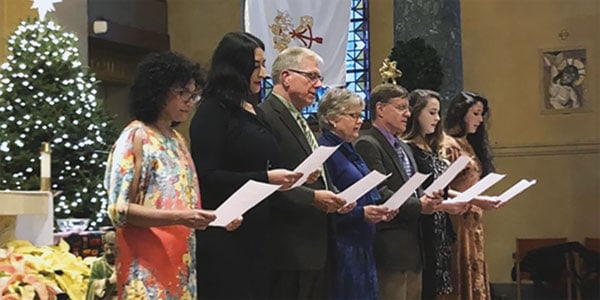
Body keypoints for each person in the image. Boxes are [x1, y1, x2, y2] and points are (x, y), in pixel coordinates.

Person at [104, 51, 240, 300]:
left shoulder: (178, 140)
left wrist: (215, 219)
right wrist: (181, 216)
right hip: (145, 266)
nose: (190, 102)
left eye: (193, 95)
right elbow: (119, 210)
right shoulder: (136, 137)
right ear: (156, 92)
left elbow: (185, 205)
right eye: (182, 94)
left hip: (181, 262)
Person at [189, 32, 302, 299]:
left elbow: (263, 158)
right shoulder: (212, 111)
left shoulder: (253, 109)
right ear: (234, 66)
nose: (263, 73)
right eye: (256, 66)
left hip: (261, 228)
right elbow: (206, 175)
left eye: (263, 65)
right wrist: (266, 178)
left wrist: (292, 177)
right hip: (228, 233)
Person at [257, 46, 350, 299]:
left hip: (315, 241)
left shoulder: (299, 117)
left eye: (318, 78)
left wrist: (336, 196)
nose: (318, 84)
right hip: (290, 245)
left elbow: (313, 171)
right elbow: (265, 178)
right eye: (311, 76)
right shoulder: (265, 115)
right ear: (286, 77)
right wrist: (313, 198)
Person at [354, 83, 443, 300]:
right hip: (390, 245)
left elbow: (414, 187)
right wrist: (419, 205)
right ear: (380, 109)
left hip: (413, 245)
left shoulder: (402, 146)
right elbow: (379, 191)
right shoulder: (368, 143)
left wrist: (430, 199)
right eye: (401, 107)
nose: (408, 113)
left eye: (408, 108)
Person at [316, 88, 397, 300]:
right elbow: (325, 205)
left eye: (360, 115)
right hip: (343, 248)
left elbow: (365, 190)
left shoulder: (348, 148)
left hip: (362, 243)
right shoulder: (324, 151)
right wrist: (361, 213)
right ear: (333, 119)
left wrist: (379, 210)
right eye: (353, 116)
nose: (360, 121)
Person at [402, 89, 470, 299]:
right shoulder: (408, 149)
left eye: (438, 113)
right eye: (431, 113)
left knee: (438, 289)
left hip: (440, 227)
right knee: (425, 288)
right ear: (415, 113)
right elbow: (415, 193)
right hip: (423, 227)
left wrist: (475, 198)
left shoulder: (432, 147)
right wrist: (444, 205)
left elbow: (443, 190)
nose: (437, 118)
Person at [440, 91, 497, 299]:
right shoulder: (448, 145)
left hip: (472, 218)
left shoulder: (469, 144)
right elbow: (441, 188)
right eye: (475, 113)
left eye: (482, 114)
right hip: (456, 218)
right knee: (459, 269)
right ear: (461, 113)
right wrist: (471, 198)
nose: (480, 120)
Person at [86, 230, 117, 300]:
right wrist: (108, 282)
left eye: (112, 249)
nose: (109, 252)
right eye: (106, 249)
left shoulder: (127, 263)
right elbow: (91, 284)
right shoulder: (98, 264)